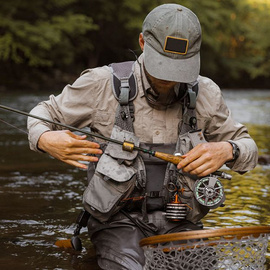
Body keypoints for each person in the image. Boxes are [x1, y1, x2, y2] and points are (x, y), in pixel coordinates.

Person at [27, 3, 258, 270]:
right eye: (163, 65)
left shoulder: (207, 93)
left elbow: (248, 147)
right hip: (116, 221)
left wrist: (229, 150)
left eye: (179, 68)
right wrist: (44, 139)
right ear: (142, 42)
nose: (170, 79)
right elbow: (43, 112)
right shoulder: (100, 84)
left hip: (181, 222)